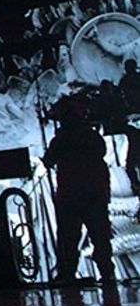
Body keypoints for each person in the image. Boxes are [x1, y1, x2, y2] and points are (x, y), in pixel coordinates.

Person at [43, 96, 115, 285]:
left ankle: (67, 273)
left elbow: (49, 160)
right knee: (99, 235)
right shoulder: (91, 135)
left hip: (71, 194)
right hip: (94, 193)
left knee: (69, 236)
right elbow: (101, 152)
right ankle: (106, 272)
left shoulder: (62, 138)